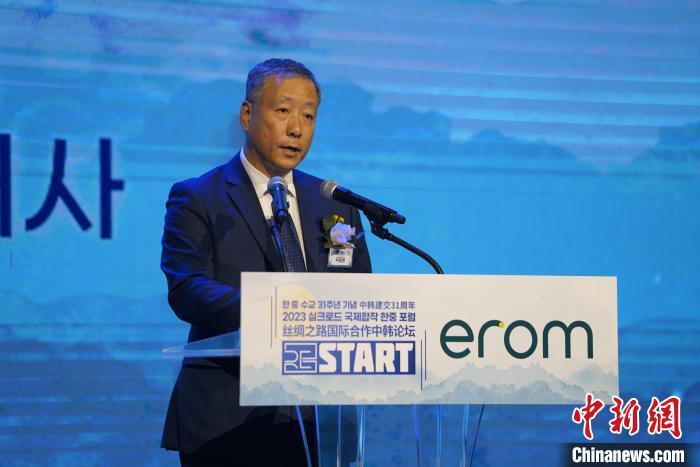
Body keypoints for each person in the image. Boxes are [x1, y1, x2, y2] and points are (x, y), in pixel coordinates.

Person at [160, 58, 372, 466]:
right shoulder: (198, 197)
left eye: (308, 116)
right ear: (247, 115)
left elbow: (359, 292)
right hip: (229, 415)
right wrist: (273, 310)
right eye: (283, 111)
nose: (297, 129)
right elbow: (186, 288)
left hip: (320, 416)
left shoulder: (335, 203)